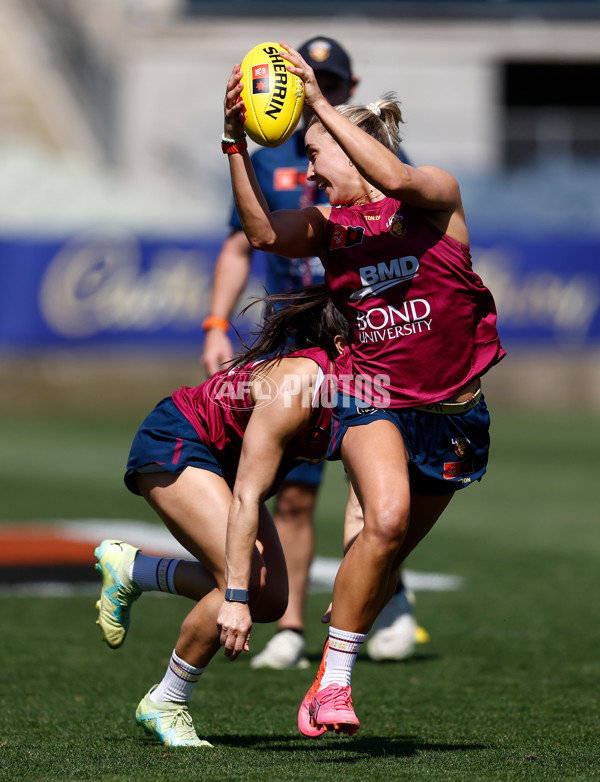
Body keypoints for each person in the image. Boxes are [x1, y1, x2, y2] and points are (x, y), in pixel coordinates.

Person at [217, 43, 505, 737]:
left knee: (382, 557)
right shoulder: (330, 231)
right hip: (372, 395)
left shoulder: (434, 197)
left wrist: (317, 104)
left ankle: (329, 662)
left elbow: (398, 176)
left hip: (456, 415)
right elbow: (259, 233)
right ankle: (338, 686)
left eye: (316, 157)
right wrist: (232, 143)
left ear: (354, 150)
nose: (309, 173)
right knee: (385, 521)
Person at [203, 35, 420, 669]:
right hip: (300, 336)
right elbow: (253, 238)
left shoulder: (383, 159)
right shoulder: (281, 157)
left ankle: (380, 605)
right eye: (308, 77)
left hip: (368, 340)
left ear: (346, 90)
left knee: (372, 496)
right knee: (291, 493)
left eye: (327, 80)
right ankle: (295, 626)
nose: (316, 172)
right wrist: (217, 320)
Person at [93, 287, 351, 747]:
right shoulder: (301, 380)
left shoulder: (361, 389)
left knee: (271, 600)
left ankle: (136, 570)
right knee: (245, 585)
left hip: (223, 470)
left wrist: (358, 577)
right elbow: (248, 495)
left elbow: (369, 493)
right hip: (178, 441)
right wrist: (232, 595)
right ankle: (167, 701)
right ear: (340, 344)